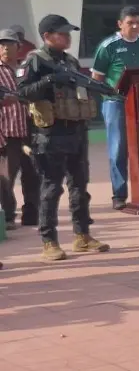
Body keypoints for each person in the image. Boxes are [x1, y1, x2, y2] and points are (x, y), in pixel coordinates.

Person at [18, 15, 109, 261]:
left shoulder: (70, 60)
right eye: (62, 33)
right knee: (51, 188)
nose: (68, 37)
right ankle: (49, 241)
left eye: (69, 33)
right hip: (51, 133)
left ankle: (82, 236)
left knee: (79, 186)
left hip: (76, 130)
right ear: (47, 36)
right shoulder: (35, 60)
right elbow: (22, 92)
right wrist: (48, 80)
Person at [91, 6, 139, 210]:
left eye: (138, 23)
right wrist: (110, 95)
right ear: (120, 24)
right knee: (118, 149)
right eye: (130, 23)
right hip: (115, 102)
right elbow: (96, 78)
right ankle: (119, 194)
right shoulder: (109, 46)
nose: (135, 27)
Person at [0, 29, 39, 231]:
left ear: (19, 48)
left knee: (33, 174)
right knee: (6, 178)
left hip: (30, 130)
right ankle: (8, 216)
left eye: (10, 44)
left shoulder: (25, 69)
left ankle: (32, 213)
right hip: (7, 133)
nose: (5, 48)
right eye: (2, 45)